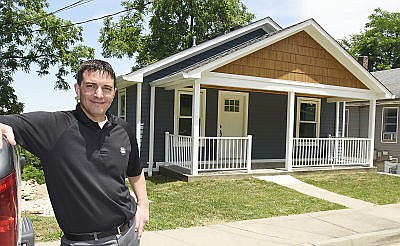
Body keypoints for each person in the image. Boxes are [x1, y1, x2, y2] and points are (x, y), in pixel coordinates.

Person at [0, 59, 149, 246]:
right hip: (83, 242)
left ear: (114, 93)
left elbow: (135, 170)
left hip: (128, 235)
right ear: (77, 89)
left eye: (106, 88)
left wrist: (143, 204)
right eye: (90, 86)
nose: (99, 94)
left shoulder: (123, 129)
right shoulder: (54, 128)